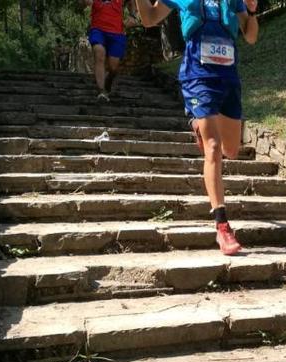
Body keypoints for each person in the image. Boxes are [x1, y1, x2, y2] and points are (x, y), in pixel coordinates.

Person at [135, 0, 259, 256]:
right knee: (212, 147)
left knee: (231, 150)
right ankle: (222, 226)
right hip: (197, 76)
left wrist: (253, 12)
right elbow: (149, 18)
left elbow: (251, 37)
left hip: (228, 78)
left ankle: (197, 124)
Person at [81, 0, 140, 101]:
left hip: (117, 33)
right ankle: (101, 91)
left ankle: (108, 81)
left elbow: (131, 3)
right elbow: (84, 3)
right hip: (98, 29)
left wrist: (133, 16)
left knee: (114, 68)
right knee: (99, 53)